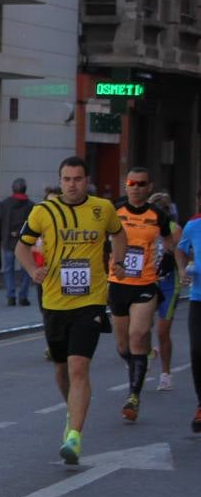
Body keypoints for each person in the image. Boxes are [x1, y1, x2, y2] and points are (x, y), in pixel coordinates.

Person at [16, 156, 126, 464]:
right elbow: (21, 246)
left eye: (78, 179)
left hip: (89, 300)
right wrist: (31, 271)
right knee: (62, 370)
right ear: (60, 180)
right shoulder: (43, 211)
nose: (72, 184)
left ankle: (75, 436)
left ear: (86, 180)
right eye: (67, 179)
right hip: (53, 302)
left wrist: (117, 261)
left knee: (79, 367)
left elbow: (118, 233)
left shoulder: (102, 209)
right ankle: (72, 412)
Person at [109, 167, 174, 422]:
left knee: (137, 336)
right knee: (123, 345)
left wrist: (166, 267)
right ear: (125, 186)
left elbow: (169, 244)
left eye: (141, 184)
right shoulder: (115, 210)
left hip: (145, 284)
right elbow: (103, 239)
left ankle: (133, 397)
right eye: (131, 183)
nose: (135, 187)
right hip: (118, 283)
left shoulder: (158, 214)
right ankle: (141, 361)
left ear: (149, 187)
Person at [174, 188, 201, 432]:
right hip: (198, 299)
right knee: (196, 351)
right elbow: (180, 249)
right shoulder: (194, 226)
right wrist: (183, 270)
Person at [149, 191, 180, 392]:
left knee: (162, 331)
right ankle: (146, 354)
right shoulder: (144, 227)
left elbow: (180, 255)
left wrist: (185, 270)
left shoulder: (174, 230)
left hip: (169, 284)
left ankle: (166, 373)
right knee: (140, 329)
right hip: (148, 283)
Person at [0, 178, 36, 306]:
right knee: (26, 269)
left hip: (8, 241)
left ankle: (10, 295)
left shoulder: (5, 204)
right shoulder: (31, 205)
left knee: (8, 269)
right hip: (25, 242)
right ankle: (23, 296)